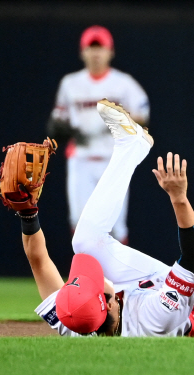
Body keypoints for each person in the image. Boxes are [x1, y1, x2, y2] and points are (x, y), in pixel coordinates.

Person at [20, 99, 194, 336]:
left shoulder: (74, 319)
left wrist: (28, 212)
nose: (89, 276)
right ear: (107, 305)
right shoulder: (156, 318)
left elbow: (38, 260)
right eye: (94, 282)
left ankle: (131, 145)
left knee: (84, 243)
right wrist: (179, 198)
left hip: (139, 289)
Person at [47, 25, 150, 244]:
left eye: (100, 48)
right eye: (90, 48)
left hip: (114, 159)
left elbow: (143, 116)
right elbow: (57, 122)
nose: (96, 54)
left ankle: (117, 278)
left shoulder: (124, 83)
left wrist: (119, 123)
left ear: (110, 52)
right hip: (81, 158)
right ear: (82, 52)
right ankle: (86, 276)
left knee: (116, 224)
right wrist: (70, 131)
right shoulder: (70, 83)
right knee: (79, 220)